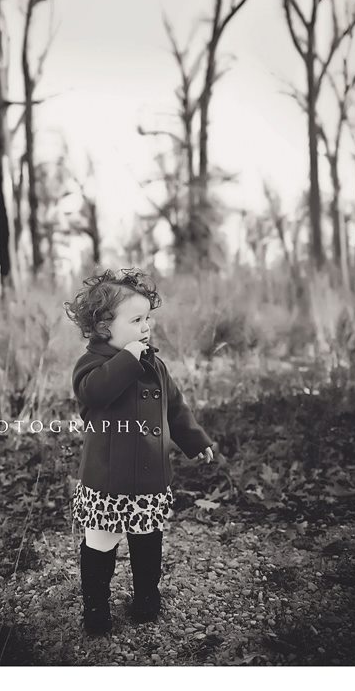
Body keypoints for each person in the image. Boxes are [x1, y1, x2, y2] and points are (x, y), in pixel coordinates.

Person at [64, 268, 216, 635]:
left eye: (147, 317)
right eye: (136, 320)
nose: (146, 326)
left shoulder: (154, 365)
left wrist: (196, 442)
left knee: (148, 540)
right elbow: (95, 393)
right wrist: (129, 359)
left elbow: (175, 408)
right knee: (100, 542)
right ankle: (96, 609)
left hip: (149, 476)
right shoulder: (93, 365)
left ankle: (147, 597)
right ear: (104, 327)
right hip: (107, 480)